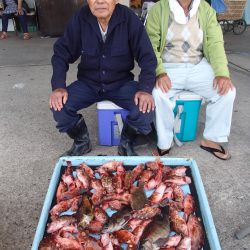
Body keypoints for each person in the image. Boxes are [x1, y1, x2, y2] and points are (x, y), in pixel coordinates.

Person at [49, 0, 157, 156]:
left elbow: (147, 57)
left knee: (146, 108)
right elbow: (61, 53)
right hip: (88, 83)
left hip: (121, 83)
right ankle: (82, 141)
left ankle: (126, 143)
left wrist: (145, 89)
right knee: (59, 105)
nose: (100, 1)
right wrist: (58, 86)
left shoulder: (129, 18)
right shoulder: (80, 17)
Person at [146, 0, 236, 160]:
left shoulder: (205, 10)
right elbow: (150, 44)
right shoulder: (159, 9)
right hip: (168, 67)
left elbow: (215, 42)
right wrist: (159, 71)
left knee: (227, 91)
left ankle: (212, 139)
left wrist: (222, 73)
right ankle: (165, 143)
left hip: (198, 65)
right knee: (158, 94)